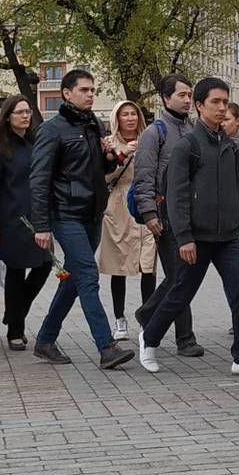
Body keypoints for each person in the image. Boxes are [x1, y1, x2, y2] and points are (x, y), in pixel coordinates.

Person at [137, 76, 239, 375]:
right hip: (196, 238)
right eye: (214, 102)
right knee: (180, 294)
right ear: (200, 106)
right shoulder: (187, 145)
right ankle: (148, 339)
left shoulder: (230, 145)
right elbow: (176, 196)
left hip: (228, 236)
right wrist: (184, 237)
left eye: (225, 102)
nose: (221, 108)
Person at [25, 70, 132, 368]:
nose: (90, 94)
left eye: (93, 90)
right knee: (87, 275)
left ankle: (45, 340)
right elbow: (39, 178)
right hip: (65, 214)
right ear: (66, 93)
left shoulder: (94, 126)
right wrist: (42, 224)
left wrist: (110, 156)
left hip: (93, 213)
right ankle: (106, 346)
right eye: (84, 89)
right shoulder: (52, 130)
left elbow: (100, 169)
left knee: (73, 280)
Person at [131, 75, 205, 358]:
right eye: (182, 95)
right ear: (166, 98)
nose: (188, 100)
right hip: (164, 213)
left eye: (190, 95)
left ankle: (147, 312)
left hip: (189, 212)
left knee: (182, 275)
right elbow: (144, 175)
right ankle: (184, 338)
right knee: (180, 275)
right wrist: (150, 213)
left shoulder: (192, 129)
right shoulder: (155, 132)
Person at [0, 96, 47, 350]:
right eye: (19, 112)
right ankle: (15, 331)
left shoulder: (35, 142)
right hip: (11, 218)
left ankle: (15, 313)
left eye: (28, 112)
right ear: (8, 116)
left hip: (37, 216)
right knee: (16, 272)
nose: (25, 116)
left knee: (45, 265)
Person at [97, 99, 155, 340]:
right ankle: (119, 319)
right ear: (117, 119)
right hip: (119, 206)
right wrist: (123, 154)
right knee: (118, 265)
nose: (130, 118)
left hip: (145, 204)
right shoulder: (109, 143)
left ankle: (147, 318)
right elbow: (105, 178)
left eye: (134, 114)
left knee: (148, 265)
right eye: (125, 114)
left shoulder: (150, 139)